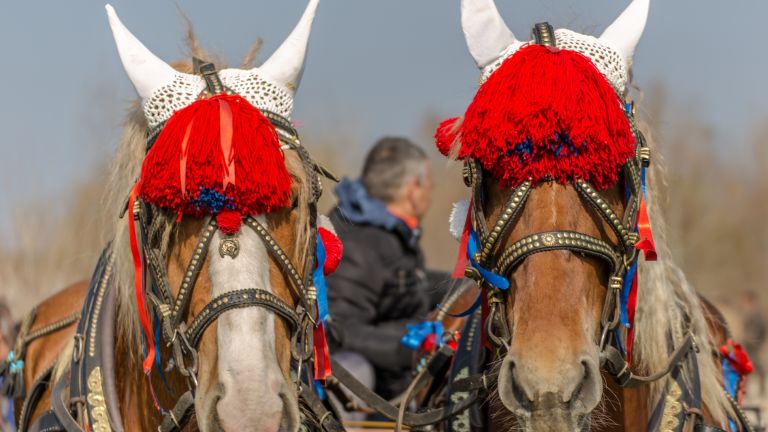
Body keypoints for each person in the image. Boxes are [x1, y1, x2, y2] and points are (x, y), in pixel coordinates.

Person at [326, 137, 448, 405]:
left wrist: (459, 289)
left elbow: (399, 286)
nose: (430, 193)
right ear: (414, 190)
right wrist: (419, 344)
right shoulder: (360, 243)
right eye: (430, 185)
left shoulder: (383, 231)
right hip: (374, 400)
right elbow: (338, 331)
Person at [742, 290, 766, 396]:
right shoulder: (751, 314)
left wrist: (750, 338)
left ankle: (759, 391)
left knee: (755, 368)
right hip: (751, 346)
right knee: (749, 368)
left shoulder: (757, 315)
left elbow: (759, 330)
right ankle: (746, 390)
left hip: (755, 346)